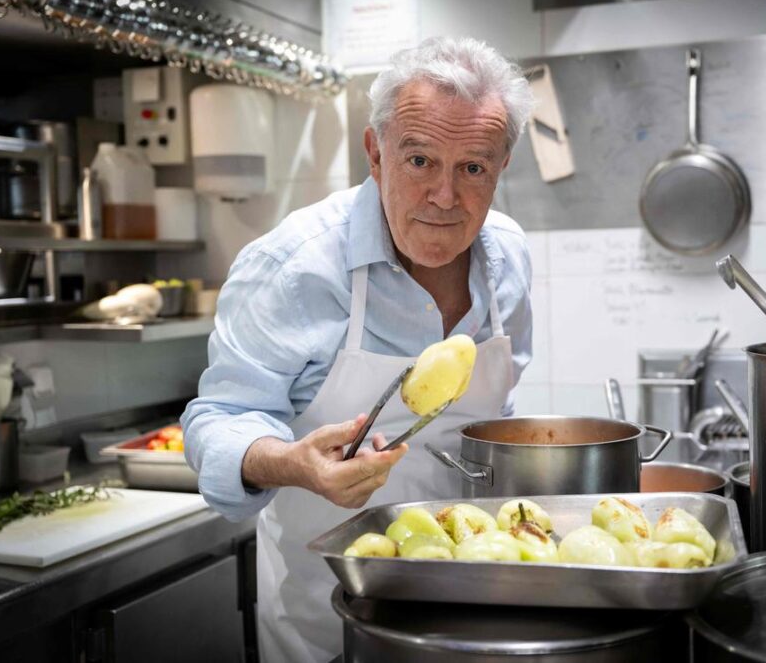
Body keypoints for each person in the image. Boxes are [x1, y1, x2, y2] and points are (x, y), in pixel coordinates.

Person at [182, 35, 535, 661]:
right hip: (326, 609)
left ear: (501, 168)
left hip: (472, 596)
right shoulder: (293, 267)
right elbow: (219, 420)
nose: (446, 197)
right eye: (420, 160)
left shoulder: (508, 257)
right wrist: (294, 464)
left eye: (473, 167)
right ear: (376, 154)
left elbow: (496, 424)